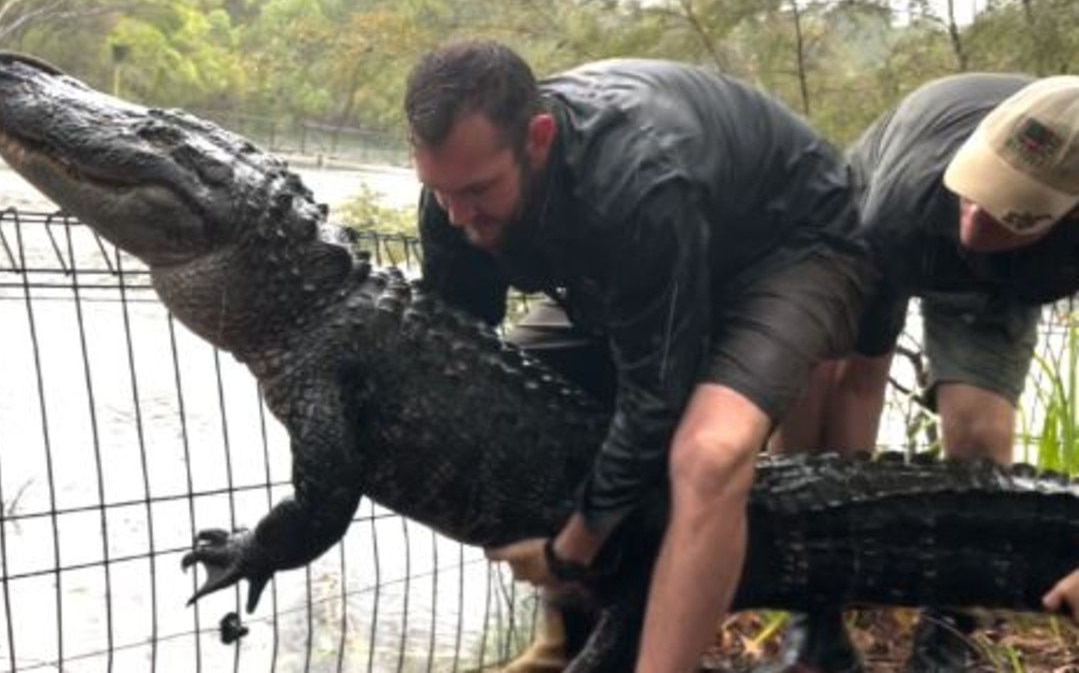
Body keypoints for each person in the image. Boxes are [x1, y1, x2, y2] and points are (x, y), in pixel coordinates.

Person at [405, 40, 876, 672]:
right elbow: (460, 348)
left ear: (538, 139)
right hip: (651, 264)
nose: (460, 216)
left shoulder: (638, 180)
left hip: (794, 246)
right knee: (515, 392)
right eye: (440, 191)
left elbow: (654, 397)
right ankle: (568, 643)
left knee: (709, 454)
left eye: (480, 191)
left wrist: (570, 550)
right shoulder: (456, 195)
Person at [768, 73, 1079, 672]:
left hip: (1017, 278)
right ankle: (816, 607)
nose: (977, 221)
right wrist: (839, 523)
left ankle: (952, 628)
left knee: (981, 437)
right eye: (978, 193)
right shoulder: (901, 211)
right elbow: (860, 378)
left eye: (1010, 209)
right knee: (813, 382)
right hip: (895, 216)